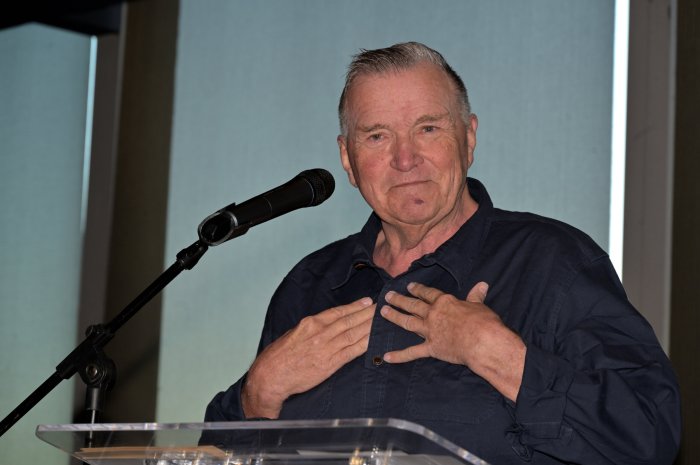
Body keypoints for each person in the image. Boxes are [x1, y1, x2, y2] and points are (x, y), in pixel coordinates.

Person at [205, 42, 681, 464]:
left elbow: (650, 435)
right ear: (348, 160)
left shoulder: (553, 263)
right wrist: (257, 396)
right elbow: (210, 456)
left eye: (428, 128)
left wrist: (498, 355)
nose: (405, 158)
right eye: (377, 136)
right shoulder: (308, 286)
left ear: (469, 138)